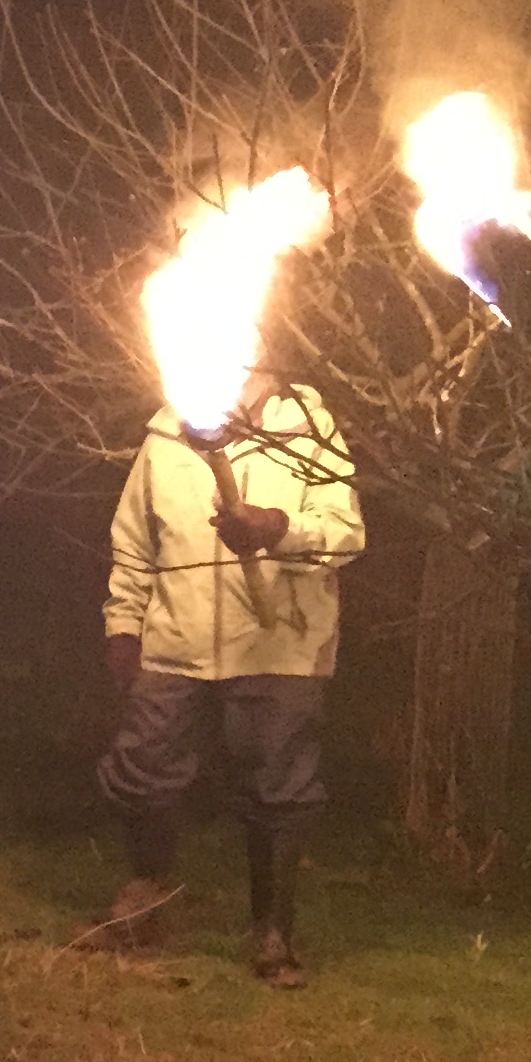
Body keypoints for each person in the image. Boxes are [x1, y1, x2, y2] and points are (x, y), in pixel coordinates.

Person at [92, 371, 363, 984]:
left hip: (281, 641)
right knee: (142, 770)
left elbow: (347, 532)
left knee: (279, 789)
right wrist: (124, 626)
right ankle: (146, 902)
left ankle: (273, 932)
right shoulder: (167, 433)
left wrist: (277, 528)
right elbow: (134, 543)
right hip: (178, 636)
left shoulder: (306, 427)